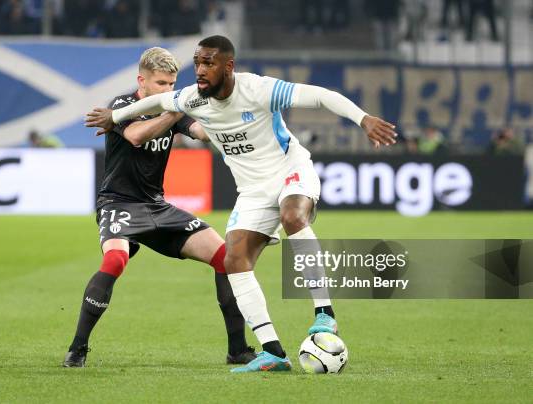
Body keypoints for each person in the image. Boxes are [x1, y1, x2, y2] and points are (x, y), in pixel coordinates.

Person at [85, 35, 397, 373]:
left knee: (293, 216)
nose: (200, 71)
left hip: (291, 170)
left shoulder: (259, 89)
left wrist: (362, 118)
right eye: (197, 63)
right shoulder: (191, 98)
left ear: (228, 67)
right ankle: (273, 352)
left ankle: (325, 316)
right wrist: (115, 117)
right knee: (234, 259)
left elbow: (321, 96)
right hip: (253, 190)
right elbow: (151, 106)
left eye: (208, 63)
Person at [63, 47, 255, 367]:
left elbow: (201, 133)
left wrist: (231, 119)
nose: (168, 90)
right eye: (162, 84)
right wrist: (177, 111)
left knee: (226, 257)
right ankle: (77, 349)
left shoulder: (172, 108)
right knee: (115, 260)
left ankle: (237, 349)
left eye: (172, 84)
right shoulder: (123, 106)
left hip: (157, 206)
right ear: (142, 81)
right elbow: (137, 136)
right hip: (118, 203)